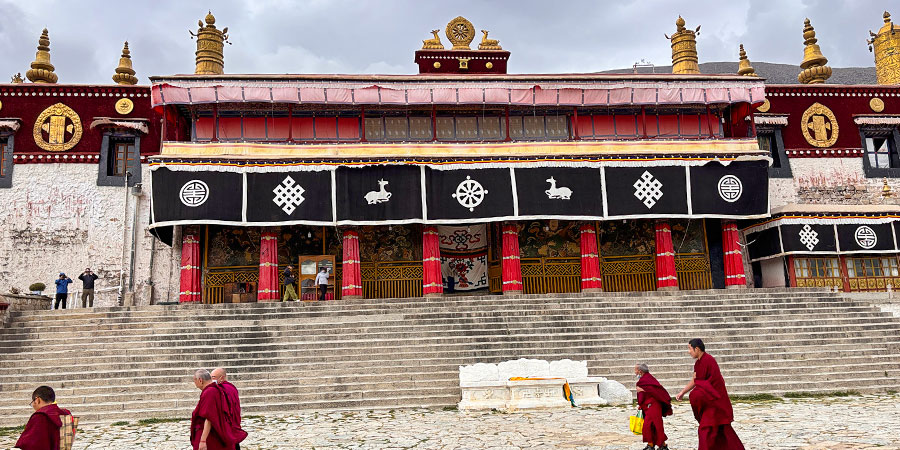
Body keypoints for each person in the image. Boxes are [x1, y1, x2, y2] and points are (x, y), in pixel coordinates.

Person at [675, 339, 745, 450]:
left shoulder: (709, 361)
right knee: (720, 430)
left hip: (715, 401)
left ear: (696, 349)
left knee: (707, 430)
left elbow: (713, 384)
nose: (689, 352)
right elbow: (695, 379)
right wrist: (683, 392)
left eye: (689, 348)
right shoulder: (698, 363)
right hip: (708, 402)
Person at [190, 369, 247, 450]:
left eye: (194, 380)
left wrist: (203, 440)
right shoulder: (215, 389)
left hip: (212, 434)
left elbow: (209, 417)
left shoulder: (210, 392)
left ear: (200, 380)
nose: (195, 383)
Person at [15, 386, 73, 450]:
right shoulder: (66, 413)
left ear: (37, 400)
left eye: (32, 403)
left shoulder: (40, 416)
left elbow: (28, 444)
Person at [634, 363, 671, 450]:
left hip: (653, 406)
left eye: (635, 369)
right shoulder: (646, 378)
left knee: (650, 425)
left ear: (640, 371)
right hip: (648, 405)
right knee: (653, 426)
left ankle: (653, 445)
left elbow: (655, 391)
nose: (634, 371)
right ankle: (660, 445)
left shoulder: (646, 379)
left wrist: (643, 390)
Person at [211, 368, 242, 450]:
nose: (211, 380)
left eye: (213, 377)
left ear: (221, 378)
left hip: (226, 422)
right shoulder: (231, 387)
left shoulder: (222, 389)